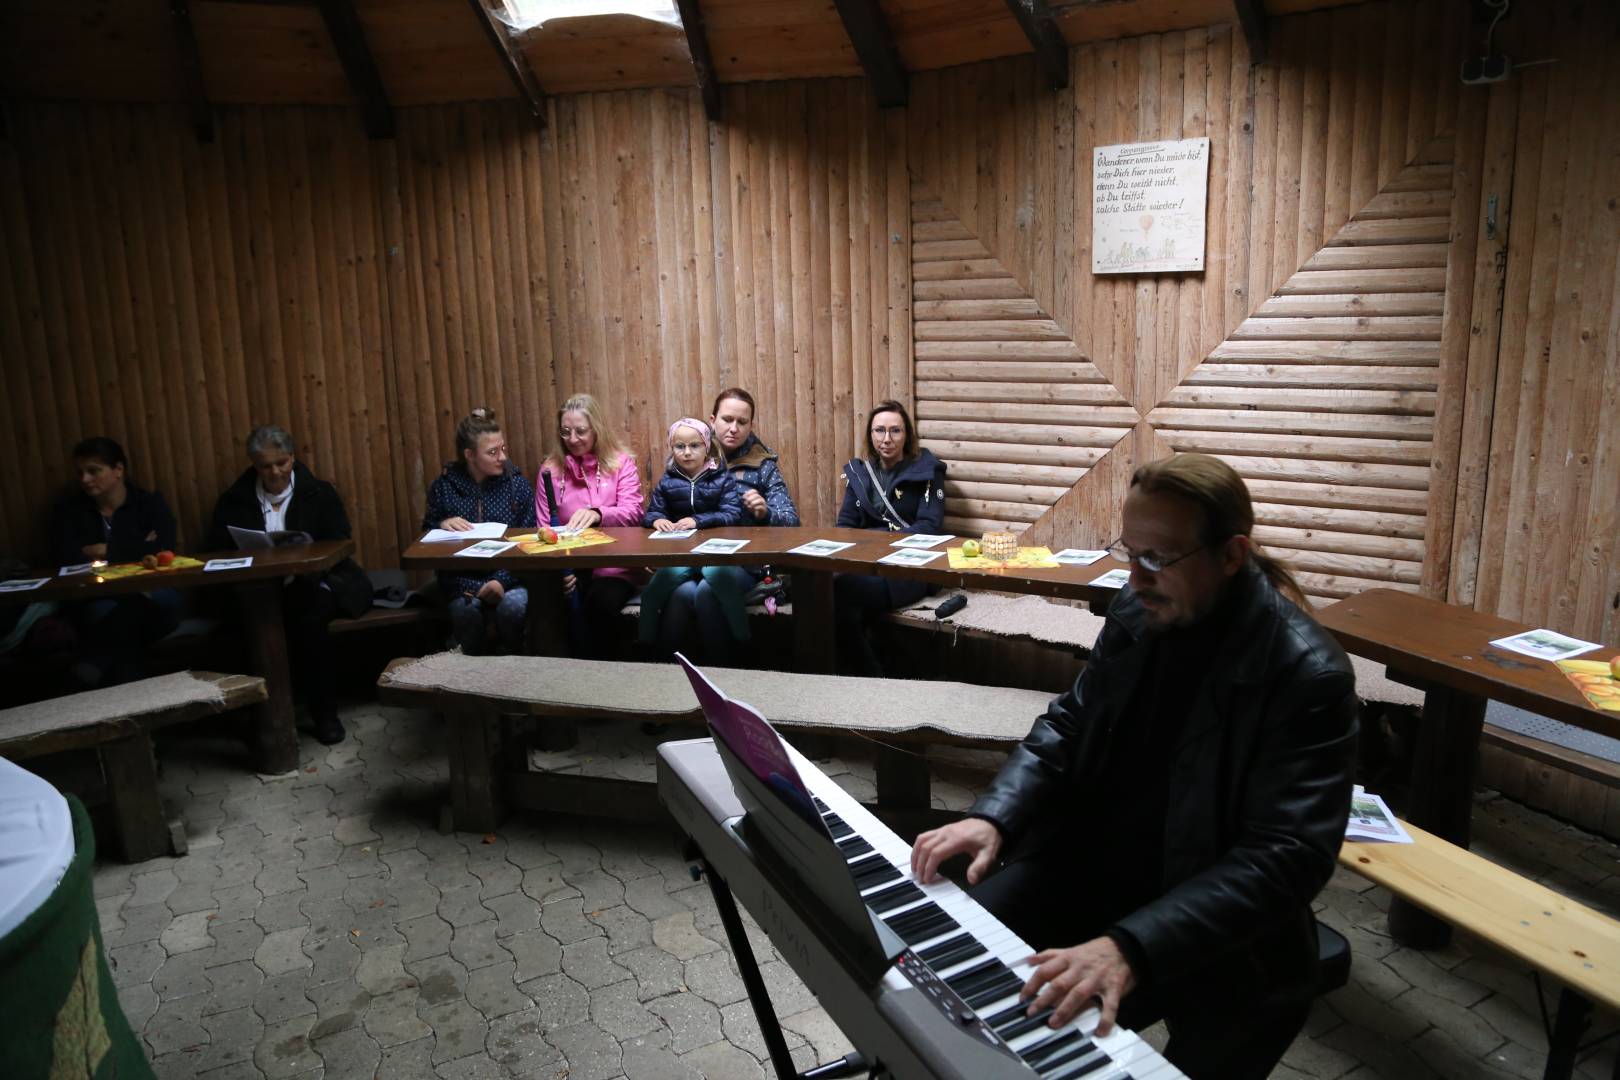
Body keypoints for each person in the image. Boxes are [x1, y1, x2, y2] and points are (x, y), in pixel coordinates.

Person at [909, 453, 1358, 1079]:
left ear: (1232, 555)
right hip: (1094, 873)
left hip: (1222, 933)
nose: (1135, 577)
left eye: (1158, 558)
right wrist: (997, 817)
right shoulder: (1139, 606)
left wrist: (1131, 946)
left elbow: (1286, 858)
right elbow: (1070, 724)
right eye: (1130, 552)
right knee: (942, 972)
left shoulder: (1307, 675)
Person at [207, 425, 371, 746]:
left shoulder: (318, 493)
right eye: (265, 466)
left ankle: (324, 713)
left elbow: (340, 540)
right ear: (254, 464)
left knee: (310, 620)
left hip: (312, 584)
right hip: (258, 591)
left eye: (281, 463)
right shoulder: (235, 500)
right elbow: (216, 546)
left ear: (293, 458)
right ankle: (263, 716)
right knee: (250, 624)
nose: (275, 472)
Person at [657, 388, 801, 666]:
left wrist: (764, 512)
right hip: (690, 558)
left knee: (708, 592)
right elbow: (662, 509)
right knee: (679, 593)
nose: (733, 428)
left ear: (750, 425)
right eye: (727, 419)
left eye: (742, 422)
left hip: (743, 564)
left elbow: (791, 521)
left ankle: (724, 678)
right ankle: (666, 679)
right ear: (713, 420)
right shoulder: (688, 454)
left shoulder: (763, 465)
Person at [48, 437, 185, 686]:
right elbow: (65, 556)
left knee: (157, 606)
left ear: (118, 470)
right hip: (101, 595)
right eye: (80, 473)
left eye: (93, 471)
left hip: (151, 588)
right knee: (117, 614)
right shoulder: (70, 512)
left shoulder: (147, 504)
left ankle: (92, 665)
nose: (85, 479)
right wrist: (135, 549)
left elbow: (163, 548)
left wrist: (104, 550)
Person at [832, 400, 947, 675]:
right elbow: (845, 526)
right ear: (870, 436)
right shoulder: (860, 475)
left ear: (906, 435)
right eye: (879, 431)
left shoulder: (928, 471)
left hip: (910, 568)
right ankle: (875, 677)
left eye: (895, 431)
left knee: (840, 594)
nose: (887, 439)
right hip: (866, 567)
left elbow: (930, 526)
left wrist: (876, 540)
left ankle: (872, 679)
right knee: (842, 607)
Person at [534, 393, 644, 659]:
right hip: (570, 563)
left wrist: (598, 514)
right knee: (548, 600)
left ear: (597, 429)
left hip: (614, 565)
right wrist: (562, 572)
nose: (573, 439)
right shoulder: (550, 470)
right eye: (566, 432)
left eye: (581, 431)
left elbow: (634, 513)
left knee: (601, 603)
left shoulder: (620, 463)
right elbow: (543, 528)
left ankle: (608, 675)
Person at [424, 408, 537, 655]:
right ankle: (471, 675)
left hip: (510, 577)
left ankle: (517, 666)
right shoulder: (444, 487)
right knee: (465, 612)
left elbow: (530, 541)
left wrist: (500, 580)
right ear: (470, 455)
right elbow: (426, 541)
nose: (502, 457)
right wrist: (440, 524)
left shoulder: (517, 485)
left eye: (503, 449)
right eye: (492, 452)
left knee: (513, 608)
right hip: (460, 580)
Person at [638, 417, 745, 657]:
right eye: (680, 447)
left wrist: (698, 520)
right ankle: (645, 650)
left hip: (714, 553)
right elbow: (652, 512)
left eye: (694, 446)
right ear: (672, 448)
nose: (687, 453)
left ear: (706, 446)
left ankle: (743, 640)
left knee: (721, 583)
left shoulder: (721, 478)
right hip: (681, 554)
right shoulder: (667, 481)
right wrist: (656, 520)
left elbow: (732, 514)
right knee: (652, 593)